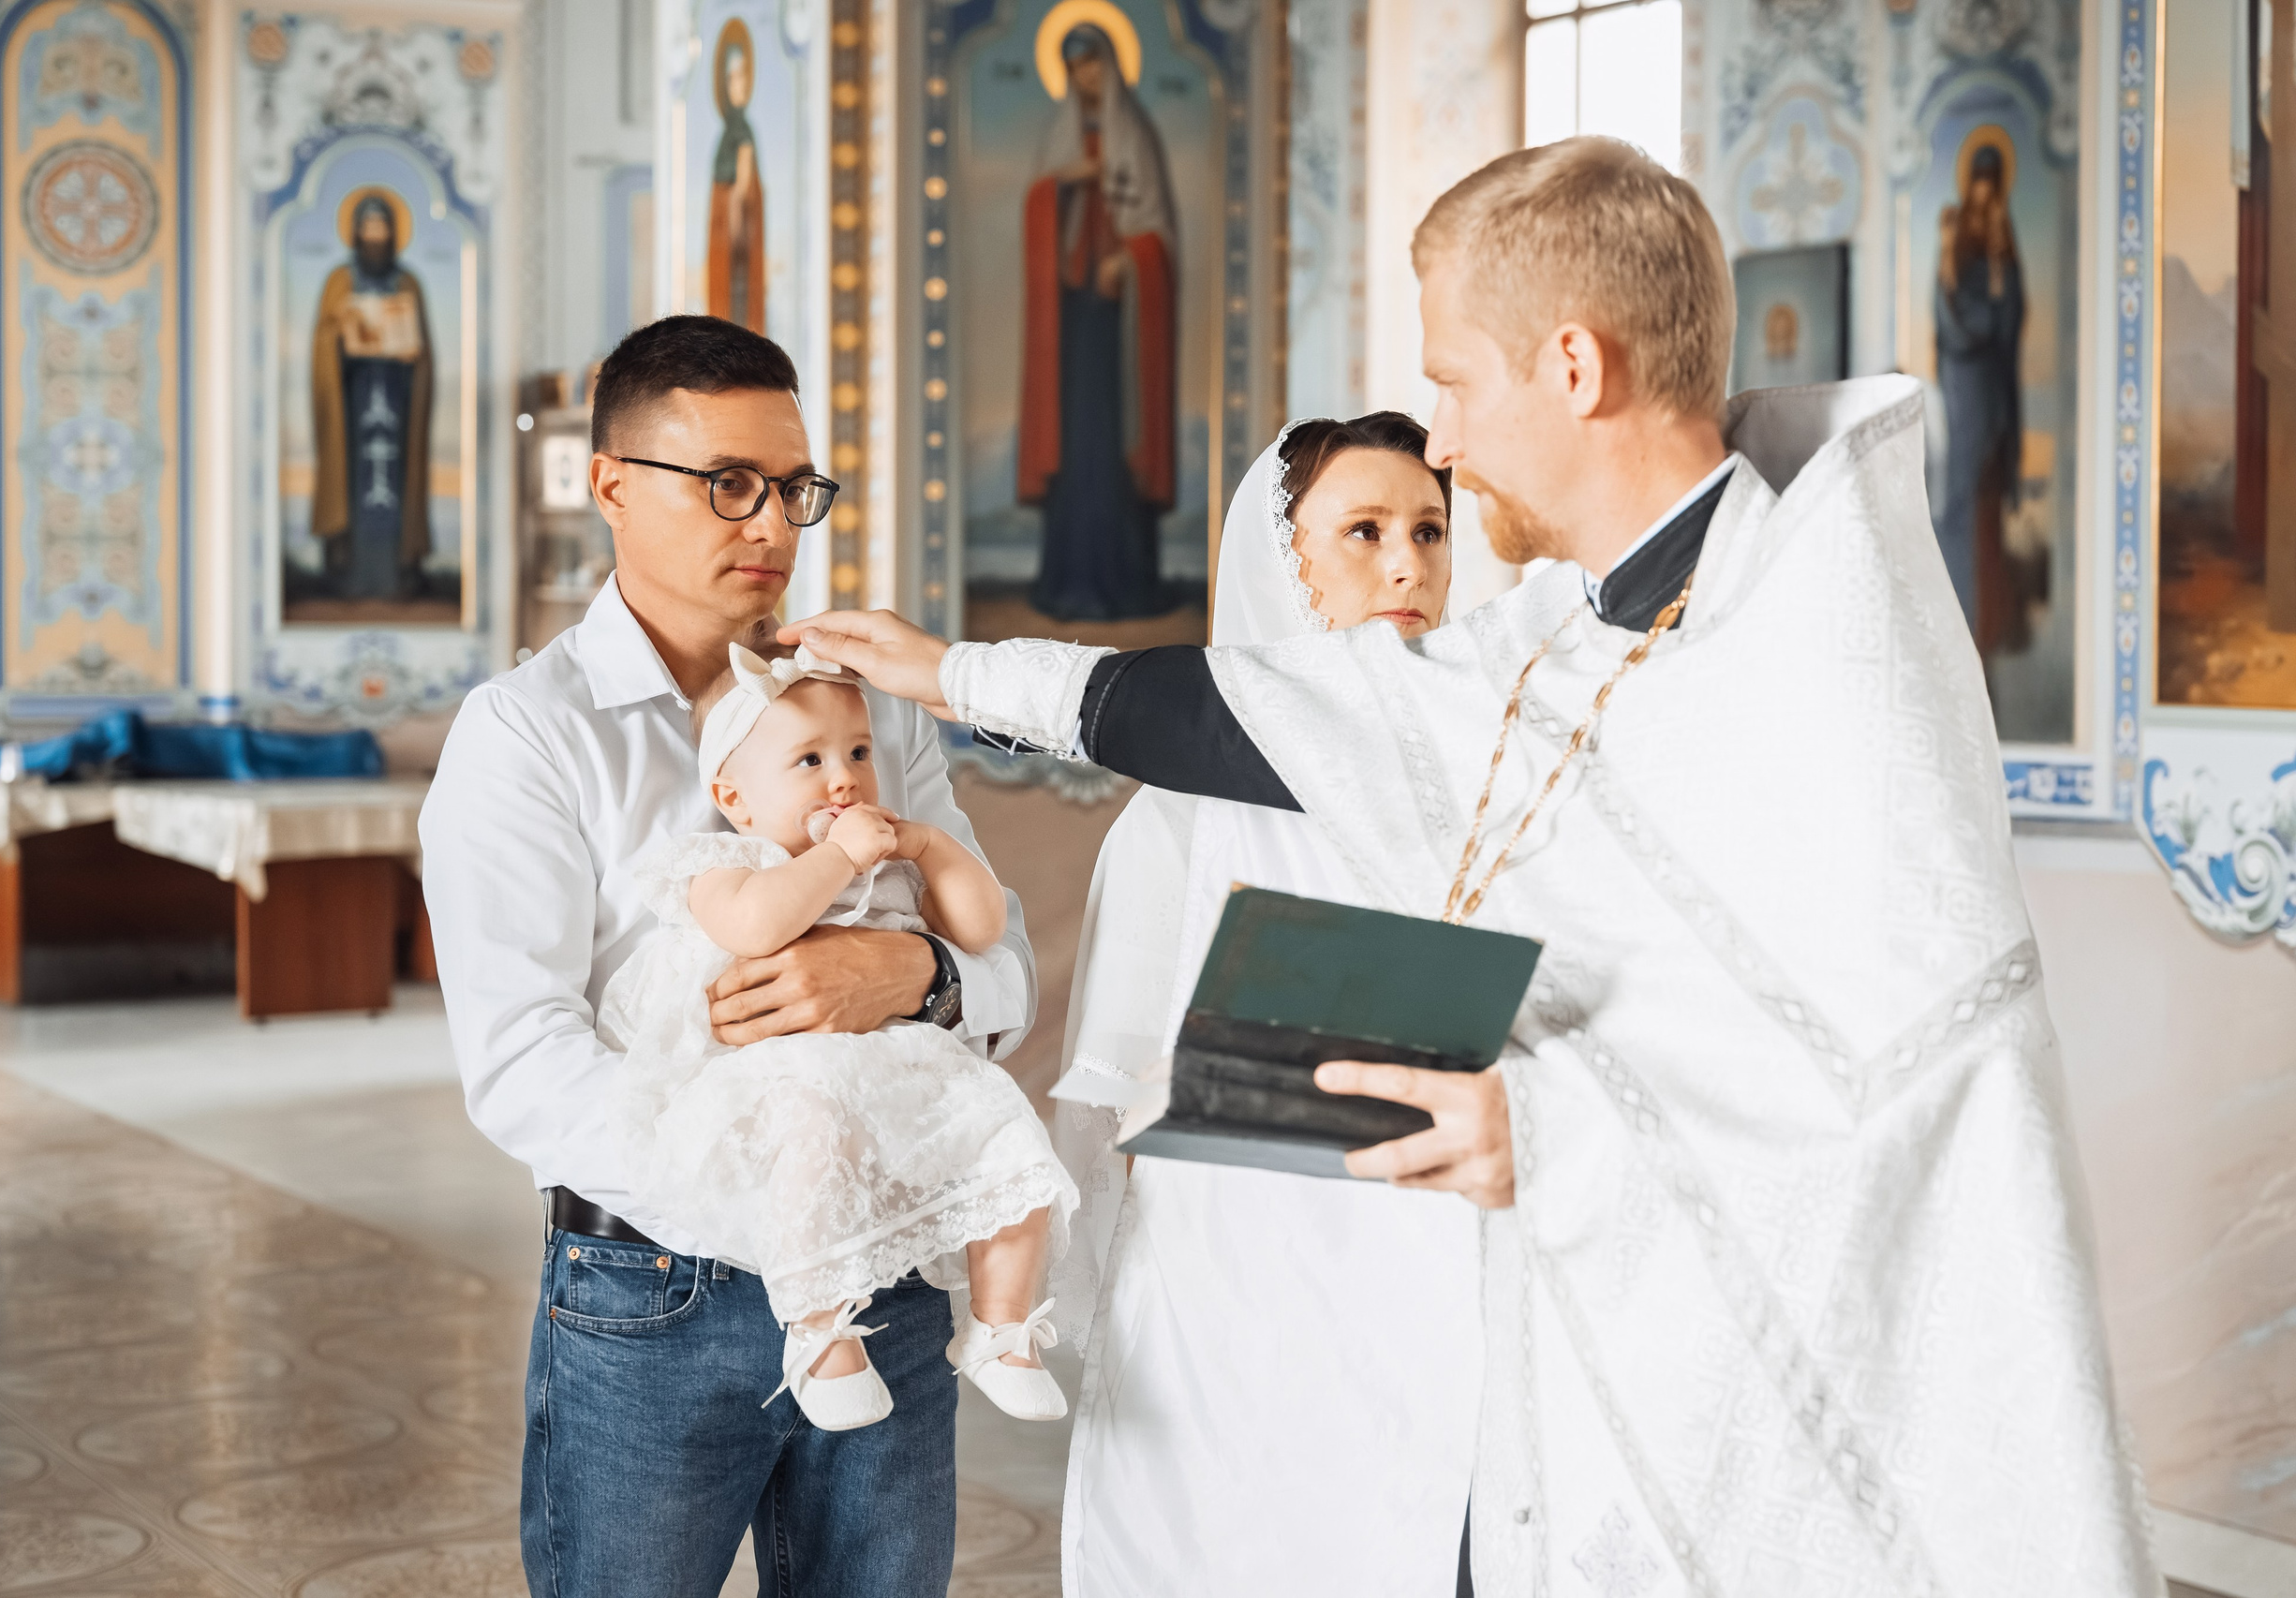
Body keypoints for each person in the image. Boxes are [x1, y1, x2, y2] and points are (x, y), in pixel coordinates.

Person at [792, 138, 2160, 1595]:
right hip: (1563, 1347)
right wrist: (960, 673)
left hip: (1787, 1406)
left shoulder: (1817, 634)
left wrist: (1564, 1135)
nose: (1439, 435)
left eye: (1455, 380)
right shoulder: (1587, 621)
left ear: (1571, 365)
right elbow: (1298, 711)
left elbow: (1923, 1066)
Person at [419, 314, 1035, 1598]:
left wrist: (916, 980)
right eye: (729, 485)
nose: (773, 525)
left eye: (794, 487)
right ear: (609, 485)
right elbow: (523, 1062)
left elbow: (1006, 962)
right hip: (656, 1286)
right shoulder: (529, 733)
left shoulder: (855, 710)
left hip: (885, 1268)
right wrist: (763, 1203)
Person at [1048, 411, 1488, 1596]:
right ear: (1279, 562)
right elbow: (1117, 1108)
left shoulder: (1486, 790)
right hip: (1241, 1269)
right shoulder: (1177, 820)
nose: (1407, 564)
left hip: (1440, 1253)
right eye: (1363, 531)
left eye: (1429, 530)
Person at [601, 643, 1074, 1433]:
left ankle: (1000, 1327)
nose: (844, 777)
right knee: (814, 1146)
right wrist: (836, 857)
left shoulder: (889, 861)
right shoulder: (728, 863)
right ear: (736, 797)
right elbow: (759, 926)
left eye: (857, 752)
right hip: (782, 1075)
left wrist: (930, 849)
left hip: (902, 1062)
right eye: (809, 760)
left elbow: (983, 930)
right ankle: (820, 1336)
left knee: (1004, 1127)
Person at [1017, 22, 1178, 621]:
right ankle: (1070, 582)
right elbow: (1039, 211)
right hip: (1072, 314)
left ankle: (1124, 583)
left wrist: (1128, 260)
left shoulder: (1133, 135)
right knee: (1076, 441)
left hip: (1122, 321)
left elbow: (1156, 230)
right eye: (1076, 66)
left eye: (1093, 64)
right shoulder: (1062, 137)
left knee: (1113, 445)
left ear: (1110, 66)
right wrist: (1063, 183)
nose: (1086, 76)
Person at [1934, 136, 2037, 657]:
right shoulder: (1955, 247)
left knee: (1989, 501)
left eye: (1991, 185)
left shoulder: (2002, 242)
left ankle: (1993, 622)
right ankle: (1964, 622)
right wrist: (1984, 314)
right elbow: (1953, 323)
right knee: (1964, 501)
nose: (1983, 196)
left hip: (1994, 392)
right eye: (1978, 183)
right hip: (1964, 389)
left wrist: (2001, 291)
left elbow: (2012, 313)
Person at [309, 190, 433, 601]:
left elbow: (424, 349)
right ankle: (350, 576)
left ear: (393, 233)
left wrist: (410, 352)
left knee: (394, 484)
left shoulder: (407, 281)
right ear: (356, 232)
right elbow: (323, 341)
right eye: (368, 226)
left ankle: (397, 577)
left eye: (382, 226)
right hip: (353, 399)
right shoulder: (340, 281)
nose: (375, 234)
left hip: (397, 396)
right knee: (354, 484)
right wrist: (344, 332)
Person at [708, 24, 765, 333]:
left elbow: (747, 195)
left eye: (743, 76)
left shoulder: (744, 135)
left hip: (740, 242)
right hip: (722, 241)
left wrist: (739, 194)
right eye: (731, 77)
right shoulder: (728, 135)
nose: (738, 85)